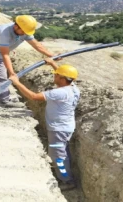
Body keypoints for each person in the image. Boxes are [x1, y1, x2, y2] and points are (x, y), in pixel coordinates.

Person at [9, 58, 80, 191]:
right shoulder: (73, 88)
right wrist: (53, 64)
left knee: (57, 156)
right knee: (62, 153)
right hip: (66, 127)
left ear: (63, 78)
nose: (54, 76)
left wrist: (17, 83)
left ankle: (67, 180)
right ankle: (65, 174)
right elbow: (64, 75)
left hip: (58, 129)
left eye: (56, 75)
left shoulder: (59, 92)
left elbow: (34, 96)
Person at [0, 15, 57, 110]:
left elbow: (37, 45)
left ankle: (4, 101)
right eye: (23, 31)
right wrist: (12, 72)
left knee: (2, 78)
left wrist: (51, 55)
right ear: (16, 26)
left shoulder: (24, 30)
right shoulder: (3, 32)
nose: (25, 33)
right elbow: (5, 54)